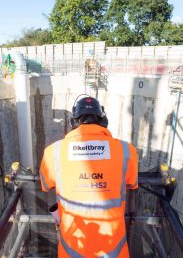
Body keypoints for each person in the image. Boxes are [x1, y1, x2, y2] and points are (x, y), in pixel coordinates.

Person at [39, 96, 138, 257]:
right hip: (113, 251)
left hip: (72, 250)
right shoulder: (127, 151)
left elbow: (45, 184)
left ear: (74, 122)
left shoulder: (54, 152)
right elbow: (132, 183)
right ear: (103, 121)